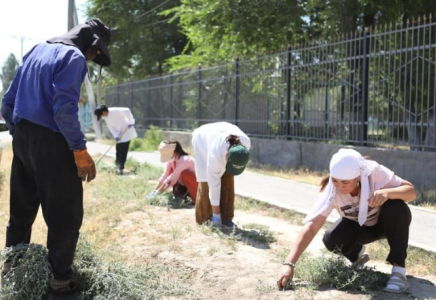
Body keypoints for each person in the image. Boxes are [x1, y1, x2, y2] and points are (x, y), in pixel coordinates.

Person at [1, 19, 111, 299]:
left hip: (23, 139)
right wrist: (79, 150)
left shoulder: (37, 50)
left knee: (21, 213)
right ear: (93, 46)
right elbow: (64, 110)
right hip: (54, 142)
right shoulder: (74, 58)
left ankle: (13, 275)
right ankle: (59, 286)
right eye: (96, 53)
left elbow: (7, 102)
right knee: (65, 215)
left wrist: (21, 134)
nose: (94, 58)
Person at [277, 148, 416, 294]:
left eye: (345, 182)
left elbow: (411, 191)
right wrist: (289, 264)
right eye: (335, 180)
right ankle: (357, 255)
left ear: (358, 177)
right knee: (331, 238)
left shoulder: (374, 172)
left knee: (396, 206)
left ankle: (399, 271)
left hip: (387, 224)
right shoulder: (332, 190)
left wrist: (388, 193)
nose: (339, 186)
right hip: (360, 228)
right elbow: (312, 226)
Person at [192, 122, 251, 228]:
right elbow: (214, 186)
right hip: (202, 141)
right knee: (206, 182)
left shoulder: (245, 143)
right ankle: (207, 217)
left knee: (228, 180)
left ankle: (227, 218)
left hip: (223, 135)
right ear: (227, 155)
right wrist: (216, 215)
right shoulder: (214, 153)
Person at [94, 105, 137, 175]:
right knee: (118, 150)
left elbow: (127, 110)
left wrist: (130, 121)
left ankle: (121, 168)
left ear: (104, 112)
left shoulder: (114, 111)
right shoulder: (106, 117)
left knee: (123, 150)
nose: (102, 116)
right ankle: (117, 166)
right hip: (119, 134)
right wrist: (116, 135)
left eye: (101, 114)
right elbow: (110, 127)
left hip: (126, 132)